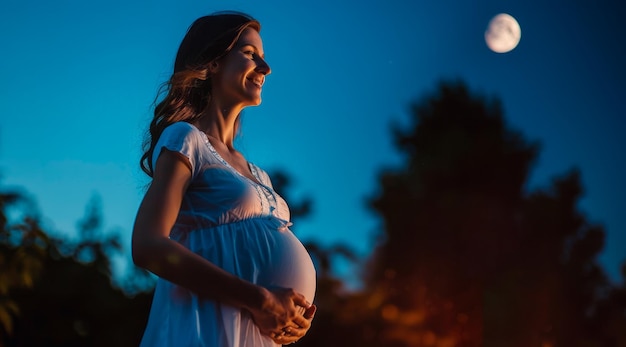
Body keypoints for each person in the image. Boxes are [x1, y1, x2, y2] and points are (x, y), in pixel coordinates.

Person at [131, 12, 317, 346]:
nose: (265, 67)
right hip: (204, 333)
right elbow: (148, 246)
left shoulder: (259, 175)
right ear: (213, 63)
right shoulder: (186, 140)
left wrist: (290, 319)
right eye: (250, 54)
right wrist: (260, 299)